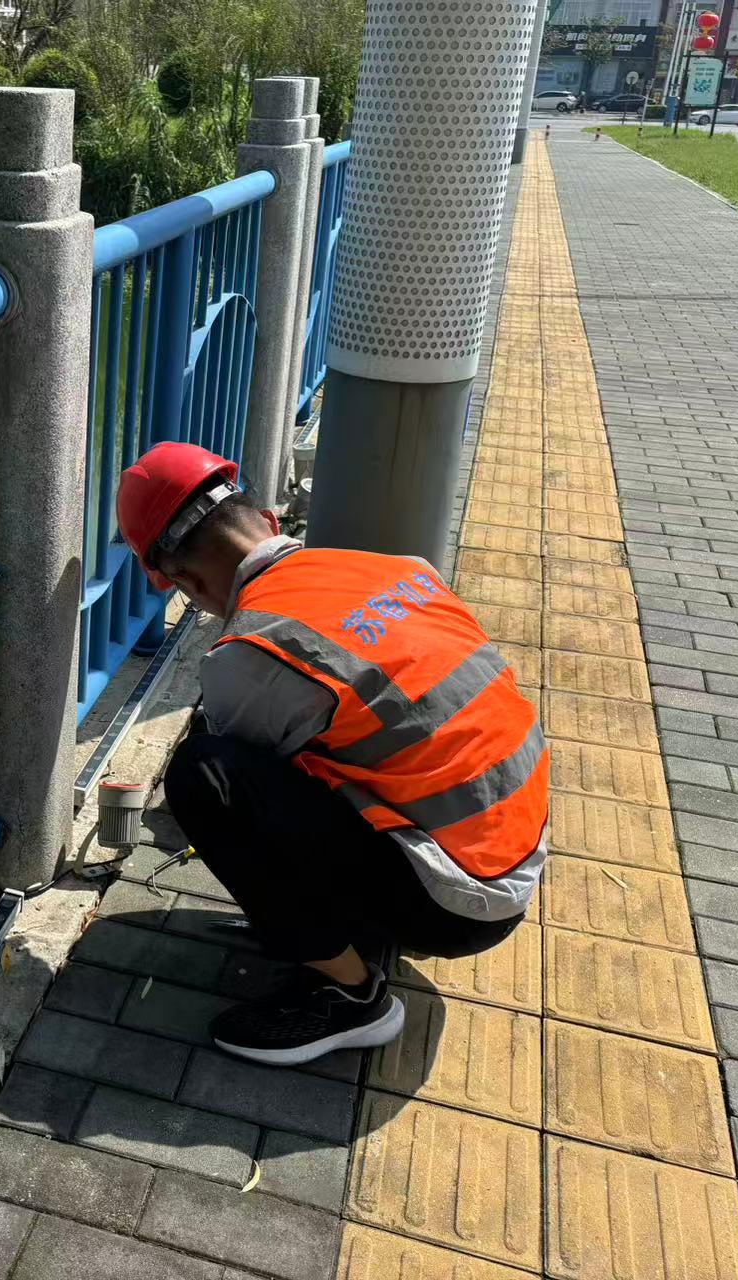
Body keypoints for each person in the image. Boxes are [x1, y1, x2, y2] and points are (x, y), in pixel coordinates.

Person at [116, 442, 548, 1065]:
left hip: (457, 905)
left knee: (204, 777)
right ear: (266, 518)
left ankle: (351, 997)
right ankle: (354, 928)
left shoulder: (252, 650)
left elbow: (247, 792)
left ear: (182, 579)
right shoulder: (392, 568)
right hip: (513, 853)